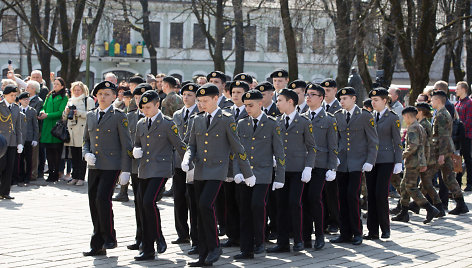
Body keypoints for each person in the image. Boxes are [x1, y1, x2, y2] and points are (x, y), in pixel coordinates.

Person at [181, 83, 255, 266]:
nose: (201, 104)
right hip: (200, 170)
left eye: (205, 101)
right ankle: (203, 255)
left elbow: (238, 147)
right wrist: (187, 158)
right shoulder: (196, 119)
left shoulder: (226, 119)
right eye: (199, 101)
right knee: (199, 209)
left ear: (216, 98)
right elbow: (191, 144)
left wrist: (248, 172)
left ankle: (215, 247)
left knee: (206, 204)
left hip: (218, 170)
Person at [131, 90, 188, 261]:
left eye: (148, 107)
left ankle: (159, 236)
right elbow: (137, 144)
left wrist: (189, 163)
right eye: (143, 108)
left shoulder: (167, 124)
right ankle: (147, 249)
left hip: (161, 170)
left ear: (157, 105)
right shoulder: (141, 123)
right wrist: (135, 150)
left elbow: (180, 145)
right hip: (144, 170)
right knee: (142, 206)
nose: (145, 110)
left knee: (149, 201)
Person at [232, 90, 285, 259]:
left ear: (260, 104)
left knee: (257, 205)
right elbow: (236, 152)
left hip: (263, 173)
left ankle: (260, 241)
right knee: (245, 210)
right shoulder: (241, 124)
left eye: (251, 105)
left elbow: (279, 152)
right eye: (245, 105)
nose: (247, 108)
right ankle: (246, 249)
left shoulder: (271, 123)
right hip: (246, 173)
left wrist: (280, 177)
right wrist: (237, 172)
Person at [82, 81, 132, 257]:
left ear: (113, 97)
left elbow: (127, 143)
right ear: (96, 96)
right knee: (93, 203)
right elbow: (85, 140)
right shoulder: (90, 115)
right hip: (94, 165)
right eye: (100, 94)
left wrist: (126, 170)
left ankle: (110, 237)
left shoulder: (119, 116)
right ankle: (97, 244)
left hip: (112, 165)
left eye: (107, 94)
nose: (103, 97)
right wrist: (86, 153)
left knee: (102, 199)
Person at [267, 88, 315, 253]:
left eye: (280, 100)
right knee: (280, 206)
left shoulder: (304, 122)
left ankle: (299, 239)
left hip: (298, 171)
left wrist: (308, 167)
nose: (277, 103)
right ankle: (282, 242)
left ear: (290, 102)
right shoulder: (276, 122)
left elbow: (311, 147)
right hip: (280, 171)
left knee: (295, 203)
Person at [330, 87, 378, 246]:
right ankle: (345, 233)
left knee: (352, 196)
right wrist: (334, 158)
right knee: (341, 198)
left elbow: (373, 141)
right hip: (342, 164)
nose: (342, 102)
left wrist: (370, 161)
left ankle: (357, 232)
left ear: (354, 99)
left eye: (345, 99)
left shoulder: (365, 115)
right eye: (340, 99)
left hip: (358, 163)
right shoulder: (338, 116)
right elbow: (336, 140)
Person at [302, 83, 338, 250]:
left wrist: (332, 168)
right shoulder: (302, 117)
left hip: (320, 165)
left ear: (321, 98)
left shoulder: (329, 119)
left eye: (312, 94)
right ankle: (305, 236)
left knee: (314, 198)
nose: (308, 97)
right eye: (307, 94)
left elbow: (333, 146)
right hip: (303, 165)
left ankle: (320, 234)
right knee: (302, 200)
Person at [364, 88, 402, 240]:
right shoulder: (369, 116)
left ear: (385, 101)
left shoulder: (392, 117)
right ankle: (372, 231)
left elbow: (397, 141)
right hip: (371, 160)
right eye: (372, 100)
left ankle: (385, 228)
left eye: (376, 100)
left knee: (381, 194)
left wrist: (399, 161)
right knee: (371, 195)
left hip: (386, 159)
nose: (373, 103)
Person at [392, 106, 440, 223]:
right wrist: (425, 161)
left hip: (413, 162)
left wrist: (401, 156)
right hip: (417, 161)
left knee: (410, 187)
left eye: (404, 118)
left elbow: (413, 146)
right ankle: (404, 212)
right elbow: (426, 146)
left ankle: (429, 208)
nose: (404, 120)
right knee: (404, 186)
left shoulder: (413, 128)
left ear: (407, 116)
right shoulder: (420, 126)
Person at [429, 91, 468, 214]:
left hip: (441, 150)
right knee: (448, 178)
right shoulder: (442, 113)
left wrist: (441, 154)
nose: (431, 102)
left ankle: (434, 206)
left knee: (427, 177)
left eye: (433, 100)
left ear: (438, 100)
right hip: (444, 150)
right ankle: (460, 204)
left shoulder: (441, 115)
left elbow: (444, 136)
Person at [172, 83, 199, 246]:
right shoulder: (177, 114)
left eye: (190, 94)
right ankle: (182, 233)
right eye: (184, 94)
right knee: (179, 198)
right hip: (177, 162)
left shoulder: (200, 113)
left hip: (194, 164)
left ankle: (195, 234)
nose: (186, 97)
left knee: (193, 199)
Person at [113, 83, 148, 202]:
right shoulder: (129, 116)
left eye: (141, 97)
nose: (138, 101)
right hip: (131, 156)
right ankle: (123, 192)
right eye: (136, 98)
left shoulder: (157, 118)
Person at [63, 81, 95, 186]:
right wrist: (67, 112)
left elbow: (92, 115)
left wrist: (79, 113)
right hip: (71, 131)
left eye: (78, 90)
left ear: (83, 90)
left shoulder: (88, 100)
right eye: (75, 90)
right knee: (74, 156)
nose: (76, 92)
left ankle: (81, 177)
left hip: (82, 131)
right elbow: (64, 117)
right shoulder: (70, 100)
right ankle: (74, 176)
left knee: (82, 156)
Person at [320, 78, 341, 234]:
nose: (326, 93)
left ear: (335, 90)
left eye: (329, 90)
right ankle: (323, 220)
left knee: (333, 192)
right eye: (324, 90)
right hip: (320, 155)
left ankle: (335, 220)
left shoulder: (339, 109)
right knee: (321, 191)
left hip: (334, 155)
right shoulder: (318, 108)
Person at [38, 77, 68, 183]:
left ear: (62, 86)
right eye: (54, 84)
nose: (55, 86)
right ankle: (50, 173)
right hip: (47, 127)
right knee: (49, 153)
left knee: (56, 153)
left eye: (57, 84)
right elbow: (44, 106)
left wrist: (47, 115)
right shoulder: (49, 95)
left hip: (56, 128)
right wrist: (42, 112)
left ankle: (56, 174)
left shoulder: (64, 97)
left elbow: (61, 112)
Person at [0, 85, 23, 199]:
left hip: (12, 142)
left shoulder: (16, 107)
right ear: (5, 95)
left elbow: (18, 127)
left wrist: (20, 142)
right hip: (1, 142)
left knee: (9, 167)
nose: (14, 97)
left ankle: (5, 192)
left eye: (15, 95)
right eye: (11, 95)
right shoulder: (0, 106)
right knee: (1, 166)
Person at [17, 92, 39, 186]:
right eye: (24, 99)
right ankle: (21, 176)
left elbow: (35, 126)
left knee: (29, 158)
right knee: (20, 159)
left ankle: (28, 177)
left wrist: (35, 138)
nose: (27, 101)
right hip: (20, 139)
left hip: (29, 138)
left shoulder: (32, 111)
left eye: (28, 99)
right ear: (20, 100)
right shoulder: (17, 109)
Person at [454, 81, 472, 191]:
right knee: (457, 159)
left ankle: (470, 183)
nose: (456, 90)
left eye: (458, 88)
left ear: (464, 89)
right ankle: (458, 182)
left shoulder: (469, 103)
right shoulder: (457, 104)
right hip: (458, 136)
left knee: (467, 159)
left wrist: (460, 131)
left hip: (466, 136)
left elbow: (469, 121)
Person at [25, 80, 44, 181]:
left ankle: (33, 174)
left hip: (34, 129)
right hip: (24, 129)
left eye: (28, 87)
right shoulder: (23, 98)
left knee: (34, 153)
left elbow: (35, 115)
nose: (26, 88)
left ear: (33, 89)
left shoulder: (38, 101)